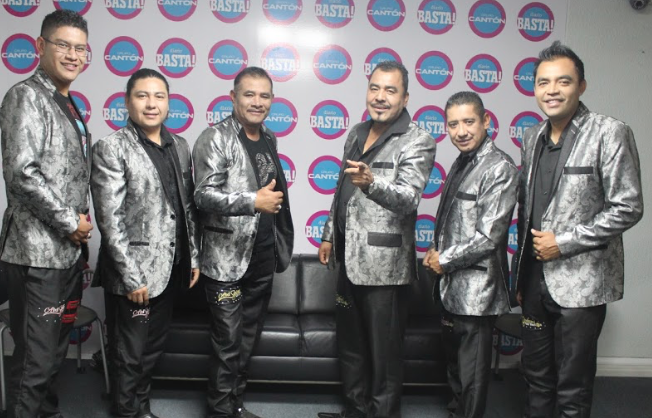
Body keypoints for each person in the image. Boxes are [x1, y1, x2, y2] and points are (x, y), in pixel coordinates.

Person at [513, 41, 643, 418]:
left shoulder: (609, 132)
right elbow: (528, 210)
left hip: (582, 285)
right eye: (543, 82)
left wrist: (564, 242)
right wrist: (521, 274)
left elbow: (628, 207)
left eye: (563, 81)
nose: (552, 90)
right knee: (535, 378)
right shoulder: (531, 137)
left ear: (581, 86)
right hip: (534, 281)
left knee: (573, 387)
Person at [317, 61, 436, 418]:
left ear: (405, 97)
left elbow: (408, 198)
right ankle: (355, 411)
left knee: (384, 357)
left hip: (385, 269)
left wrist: (372, 184)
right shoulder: (356, 132)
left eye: (390, 90)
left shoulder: (418, 140)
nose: (380, 97)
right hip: (347, 260)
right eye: (375, 88)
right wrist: (329, 235)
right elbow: (341, 190)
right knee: (351, 348)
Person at [90, 68, 200, 418]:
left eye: (159, 96)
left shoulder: (179, 145)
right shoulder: (111, 147)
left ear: (168, 103)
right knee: (129, 352)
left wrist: (193, 258)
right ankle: (126, 411)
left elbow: (185, 207)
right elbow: (110, 220)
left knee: (152, 348)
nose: (151, 104)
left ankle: (140, 407)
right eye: (142, 96)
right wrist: (131, 276)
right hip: (133, 275)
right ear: (127, 102)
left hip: (170, 267)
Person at [0, 10, 92, 418]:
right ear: (40, 46)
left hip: (65, 255)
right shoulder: (26, 96)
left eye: (80, 49)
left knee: (53, 356)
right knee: (34, 363)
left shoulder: (66, 102)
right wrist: (71, 223)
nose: (73, 55)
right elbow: (22, 173)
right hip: (35, 255)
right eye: (63, 45)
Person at [193, 66, 294, 418]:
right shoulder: (214, 138)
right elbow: (203, 195)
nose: (257, 102)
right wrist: (253, 201)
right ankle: (219, 411)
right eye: (249, 94)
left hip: (262, 255)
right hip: (226, 259)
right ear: (233, 97)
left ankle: (234, 404)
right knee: (227, 340)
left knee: (248, 338)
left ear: (272, 100)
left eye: (264, 95)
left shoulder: (269, 138)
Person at [423, 91, 518, 418]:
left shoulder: (499, 167)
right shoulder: (463, 161)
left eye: (468, 122)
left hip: (477, 293)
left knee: (472, 376)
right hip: (451, 288)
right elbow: (453, 222)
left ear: (486, 121)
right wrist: (435, 250)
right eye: (453, 124)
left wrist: (443, 259)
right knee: (455, 371)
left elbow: (488, 237)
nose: (461, 131)